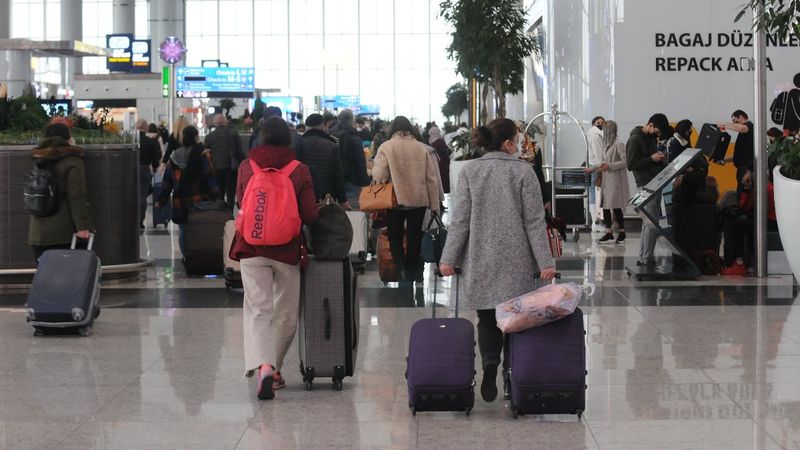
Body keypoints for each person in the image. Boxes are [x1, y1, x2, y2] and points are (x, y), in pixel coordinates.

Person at [438, 118, 556, 403]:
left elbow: (460, 221)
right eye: (517, 139)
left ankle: (490, 361)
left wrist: (448, 258)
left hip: (480, 256)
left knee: (487, 317)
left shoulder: (470, 171)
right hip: (516, 257)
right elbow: (534, 221)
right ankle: (511, 374)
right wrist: (545, 261)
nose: (520, 145)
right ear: (508, 143)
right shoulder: (524, 172)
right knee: (516, 317)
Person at [229, 116, 319, 400]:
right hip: (287, 251)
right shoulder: (299, 170)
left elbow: (239, 201)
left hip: (251, 248)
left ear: (261, 138)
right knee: (285, 313)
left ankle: (263, 365)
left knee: (258, 310)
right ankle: (275, 367)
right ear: (288, 139)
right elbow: (310, 215)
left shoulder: (247, 167)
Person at [371, 116, 442, 284]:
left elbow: (379, 175)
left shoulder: (386, 147)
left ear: (393, 129)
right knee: (414, 237)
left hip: (395, 200)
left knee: (395, 237)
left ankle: (401, 268)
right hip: (418, 200)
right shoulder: (421, 147)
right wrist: (434, 205)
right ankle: (411, 271)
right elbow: (431, 179)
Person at [28, 123, 93, 261]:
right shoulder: (72, 160)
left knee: (46, 278)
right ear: (68, 138)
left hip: (37, 233)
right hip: (64, 233)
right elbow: (77, 195)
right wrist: (83, 226)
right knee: (67, 278)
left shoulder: (38, 159)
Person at [155, 126, 220, 256]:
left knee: (183, 229)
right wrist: (216, 195)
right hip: (200, 198)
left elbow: (167, 181)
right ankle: (199, 257)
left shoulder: (174, 156)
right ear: (196, 137)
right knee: (200, 227)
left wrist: (161, 200)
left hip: (181, 199)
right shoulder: (203, 154)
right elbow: (209, 176)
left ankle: (186, 257)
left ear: (183, 138)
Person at [627, 113, 670, 266]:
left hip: (654, 182)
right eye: (657, 131)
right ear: (650, 124)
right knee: (651, 223)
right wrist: (652, 159)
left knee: (648, 223)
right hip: (645, 184)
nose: (658, 135)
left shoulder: (650, 138)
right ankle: (646, 258)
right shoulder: (634, 139)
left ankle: (644, 257)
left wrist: (659, 158)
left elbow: (650, 158)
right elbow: (631, 164)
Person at [721, 169, 777, 275]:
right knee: (736, 219)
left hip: (770, 221)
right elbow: (743, 206)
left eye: (748, 174)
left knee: (740, 222)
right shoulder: (757, 188)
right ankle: (739, 261)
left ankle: (739, 261)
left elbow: (746, 207)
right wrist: (747, 189)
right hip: (761, 218)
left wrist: (747, 189)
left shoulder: (767, 188)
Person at [586, 120, 628, 243]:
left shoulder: (619, 144)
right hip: (607, 180)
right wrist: (592, 169)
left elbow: (625, 162)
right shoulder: (607, 144)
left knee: (615, 207)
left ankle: (621, 232)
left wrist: (609, 165)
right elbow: (602, 162)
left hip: (615, 181)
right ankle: (611, 232)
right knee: (605, 206)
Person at [299, 113, 349, 206]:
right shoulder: (332, 144)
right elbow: (338, 174)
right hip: (327, 195)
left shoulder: (299, 143)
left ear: (307, 126)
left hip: (305, 192)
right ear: (322, 126)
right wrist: (343, 200)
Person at [204, 113, 245, 209]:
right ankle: (230, 214)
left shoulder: (209, 137)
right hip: (231, 168)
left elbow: (207, 154)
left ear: (215, 123)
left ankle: (221, 215)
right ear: (225, 121)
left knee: (219, 194)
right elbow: (239, 151)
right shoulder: (233, 134)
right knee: (231, 194)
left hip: (216, 169)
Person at [336, 109, 370, 205]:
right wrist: (365, 182)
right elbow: (360, 162)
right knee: (354, 213)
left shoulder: (331, 135)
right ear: (351, 120)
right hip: (352, 180)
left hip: (336, 182)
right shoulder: (354, 138)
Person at [718, 110, 754, 194]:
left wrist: (723, 125)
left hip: (745, 171)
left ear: (741, 117)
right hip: (741, 170)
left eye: (734, 120)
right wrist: (723, 159)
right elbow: (738, 155)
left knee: (743, 197)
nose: (733, 123)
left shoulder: (748, 127)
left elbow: (741, 128)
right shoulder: (743, 133)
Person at [137, 118, 162, 229]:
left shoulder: (132, 140)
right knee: (142, 196)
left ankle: (131, 219)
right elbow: (155, 157)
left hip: (131, 169)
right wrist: (156, 167)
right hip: (144, 169)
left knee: (132, 196)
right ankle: (140, 221)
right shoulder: (150, 141)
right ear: (145, 127)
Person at [587, 116, 605, 221]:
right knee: (595, 192)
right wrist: (598, 167)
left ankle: (596, 219)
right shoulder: (595, 134)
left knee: (595, 192)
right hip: (596, 167)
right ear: (593, 124)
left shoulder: (597, 133)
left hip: (596, 166)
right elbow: (598, 153)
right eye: (598, 122)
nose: (601, 124)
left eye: (603, 122)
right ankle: (596, 220)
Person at [428, 126, 451, 194]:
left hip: (440, 165)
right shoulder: (440, 140)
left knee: (442, 181)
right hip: (444, 164)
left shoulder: (437, 142)